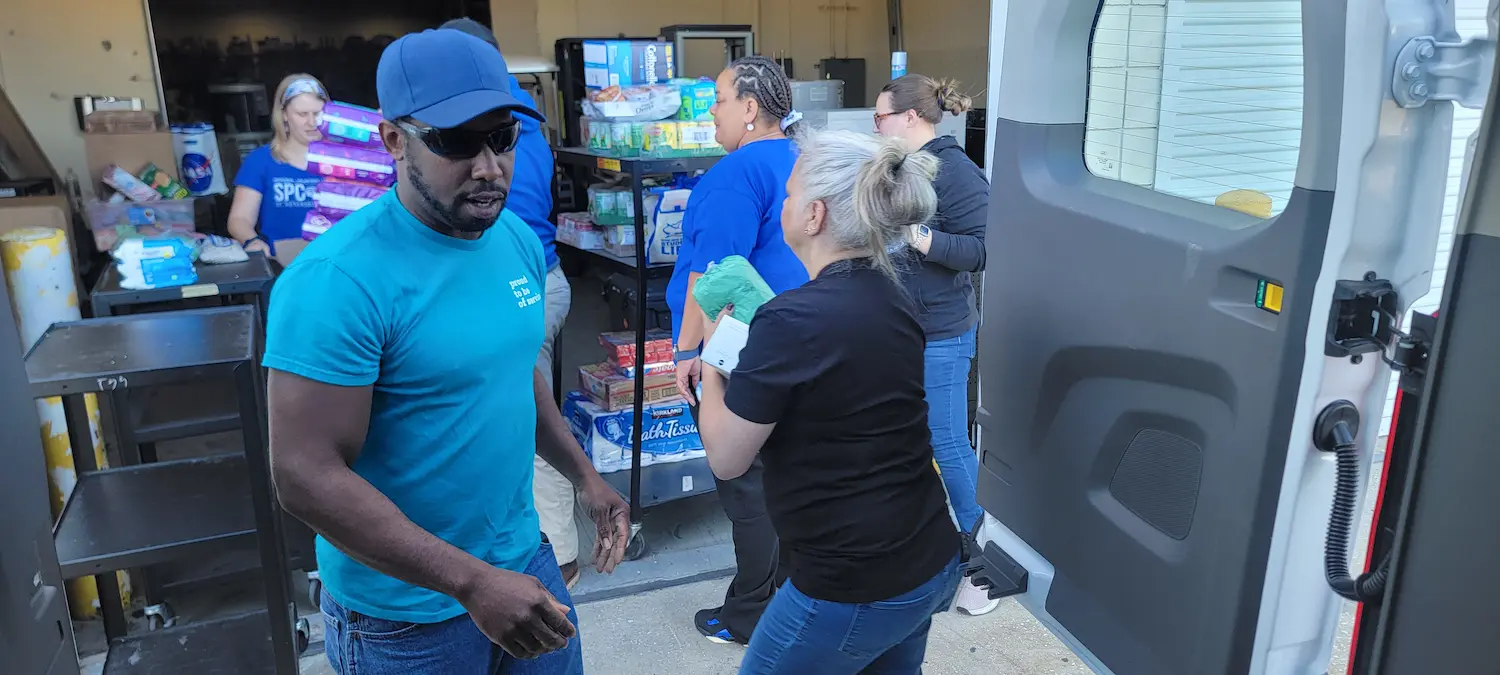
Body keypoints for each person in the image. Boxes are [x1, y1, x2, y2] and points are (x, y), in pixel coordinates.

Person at [263, 29, 630, 674]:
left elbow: (518, 376)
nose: (490, 166)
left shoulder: (512, 238)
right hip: (404, 616)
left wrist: (584, 475)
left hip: (522, 560)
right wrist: (469, 583)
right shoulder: (336, 283)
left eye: (503, 138)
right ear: (394, 141)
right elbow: (304, 477)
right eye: (458, 141)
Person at [694, 129, 962, 673]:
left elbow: (727, 456)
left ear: (814, 215)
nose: (784, 205)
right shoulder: (894, 295)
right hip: (928, 554)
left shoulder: (792, 319)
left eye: (789, 196)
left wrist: (711, 362)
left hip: (851, 581)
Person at [665, 54, 809, 645]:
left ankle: (749, 615)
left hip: (743, 347)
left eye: (719, 100)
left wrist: (685, 354)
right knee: (792, 479)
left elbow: (713, 275)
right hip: (803, 339)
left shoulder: (734, 173)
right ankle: (795, 600)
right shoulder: (805, 161)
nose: (712, 112)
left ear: (750, 109)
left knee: (745, 483)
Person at [439, 18, 583, 591]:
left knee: (527, 415)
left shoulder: (493, 120)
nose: (489, 158)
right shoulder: (518, 110)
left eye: (501, 144)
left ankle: (562, 558)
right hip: (543, 278)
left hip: (525, 281)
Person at [874, 74, 995, 616]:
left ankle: (988, 568)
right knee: (910, 445)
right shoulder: (899, 168)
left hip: (943, 332)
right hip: (902, 329)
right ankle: (928, 555)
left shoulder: (959, 173)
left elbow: (981, 251)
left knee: (947, 443)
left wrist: (919, 238)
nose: (876, 128)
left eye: (880, 118)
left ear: (910, 118)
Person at [228, 73, 328, 259]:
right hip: (283, 263)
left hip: (338, 264)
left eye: (318, 113)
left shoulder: (345, 162)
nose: (312, 123)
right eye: (302, 114)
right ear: (284, 115)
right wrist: (252, 240)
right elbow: (239, 219)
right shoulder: (261, 161)